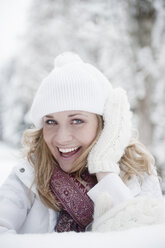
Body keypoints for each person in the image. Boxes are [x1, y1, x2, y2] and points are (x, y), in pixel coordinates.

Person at [0, 52, 164, 234]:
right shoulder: (27, 177)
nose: (61, 138)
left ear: (104, 124)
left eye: (77, 121)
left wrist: (105, 169)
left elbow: (144, 239)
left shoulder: (138, 174)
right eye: (51, 122)